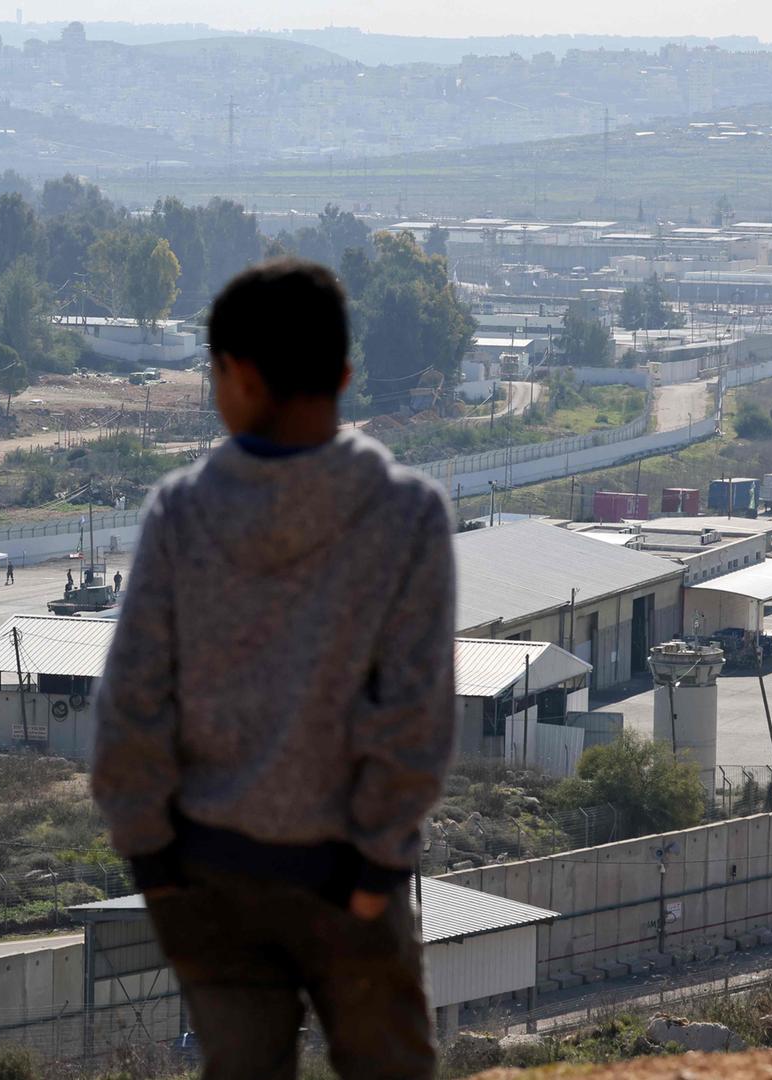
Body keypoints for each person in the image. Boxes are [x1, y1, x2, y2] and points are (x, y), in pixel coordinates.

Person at [92, 258, 456, 1080]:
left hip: (214, 878)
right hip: (349, 879)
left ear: (240, 378)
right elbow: (416, 715)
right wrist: (378, 868)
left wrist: (154, 867)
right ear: (346, 376)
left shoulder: (180, 515)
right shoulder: (407, 515)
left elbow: (130, 711)